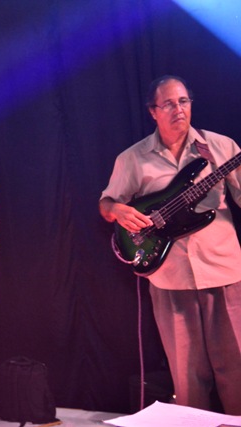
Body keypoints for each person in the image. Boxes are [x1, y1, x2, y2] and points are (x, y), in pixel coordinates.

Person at [99, 75, 241, 414]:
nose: (178, 109)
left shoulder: (221, 147)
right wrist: (118, 210)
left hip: (224, 272)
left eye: (183, 101)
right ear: (153, 111)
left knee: (236, 369)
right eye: (169, 104)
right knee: (187, 377)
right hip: (170, 278)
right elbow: (106, 203)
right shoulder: (133, 158)